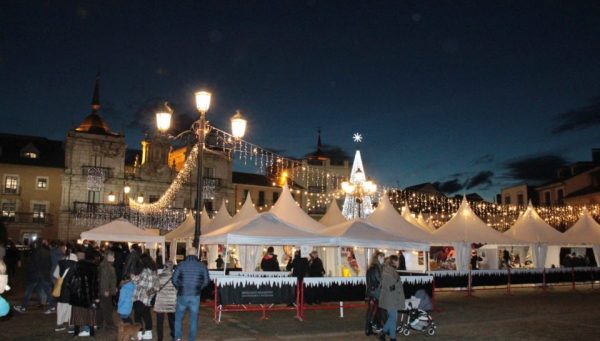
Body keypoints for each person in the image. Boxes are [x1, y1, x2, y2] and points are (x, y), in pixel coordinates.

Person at [172, 247, 210, 341]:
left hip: (182, 295)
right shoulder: (202, 266)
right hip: (195, 295)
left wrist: (180, 287)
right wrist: (198, 288)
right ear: (196, 254)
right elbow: (206, 281)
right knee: (193, 319)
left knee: (178, 318)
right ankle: (191, 339)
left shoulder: (181, 265)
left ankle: (177, 338)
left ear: (187, 254)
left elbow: (174, 279)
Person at [14, 239, 55, 314]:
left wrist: (29, 273)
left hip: (35, 275)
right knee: (47, 292)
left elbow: (32, 265)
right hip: (44, 275)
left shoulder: (35, 252)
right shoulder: (47, 252)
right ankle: (51, 307)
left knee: (28, 292)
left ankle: (23, 307)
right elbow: (50, 264)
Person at [68, 250, 99, 337]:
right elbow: (95, 284)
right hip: (89, 297)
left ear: (78, 257)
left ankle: (76, 333)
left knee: (77, 315)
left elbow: (71, 281)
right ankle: (92, 333)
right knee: (90, 315)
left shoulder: (75, 266)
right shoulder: (93, 267)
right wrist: (96, 296)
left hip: (77, 296)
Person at [132, 253, 160, 340]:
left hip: (140, 297)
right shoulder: (154, 272)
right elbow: (156, 287)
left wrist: (132, 277)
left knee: (138, 316)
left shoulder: (145, 271)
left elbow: (139, 282)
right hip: (147, 298)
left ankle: (139, 334)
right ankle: (148, 333)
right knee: (147, 315)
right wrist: (148, 293)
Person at [378, 255, 405, 341]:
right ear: (394, 262)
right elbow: (389, 287)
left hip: (392, 298)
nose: (399, 262)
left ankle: (383, 333)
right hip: (391, 299)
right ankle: (392, 338)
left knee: (392, 318)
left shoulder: (390, 270)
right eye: (398, 261)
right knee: (393, 318)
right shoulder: (388, 272)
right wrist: (397, 283)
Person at [53, 247, 78, 332]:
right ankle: (71, 326)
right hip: (73, 287)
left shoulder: (61, 262)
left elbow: (56, 275)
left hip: (62, 288)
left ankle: (59, 324)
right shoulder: (77, 264)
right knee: (71, 307)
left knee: (61, 306)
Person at [154, 261, 177, 341]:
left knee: (160, 322)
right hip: (171, 302)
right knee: (172, 320)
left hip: (161, 302)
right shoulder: (175, 277)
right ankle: (174, 336)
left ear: (165, 267)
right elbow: (178, 290)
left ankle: (160, 338)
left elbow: (155, 289)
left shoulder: (159, 277)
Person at [365, 251, 384, 336]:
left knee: (372, 311)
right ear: (378, 258)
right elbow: (379, 280)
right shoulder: (376, 267)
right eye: (382, 257)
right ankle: (371, 328)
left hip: (370, 292)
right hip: (376, 292)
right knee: (374, 311)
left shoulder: (370, 267)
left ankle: (369, 329)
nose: (383, 259)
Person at [97, 250, 117, 331]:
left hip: (106, 290)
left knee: (103, 308)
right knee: (107, 308)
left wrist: (113, 287)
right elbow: (104, 279)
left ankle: (100, 324)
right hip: (105, 291)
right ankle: (109, 325)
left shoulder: (106, 265)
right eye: (113, 257)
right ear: (109, 257)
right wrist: (106, 290)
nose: (114, 258)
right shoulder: (106, 266)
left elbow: (110, 279)